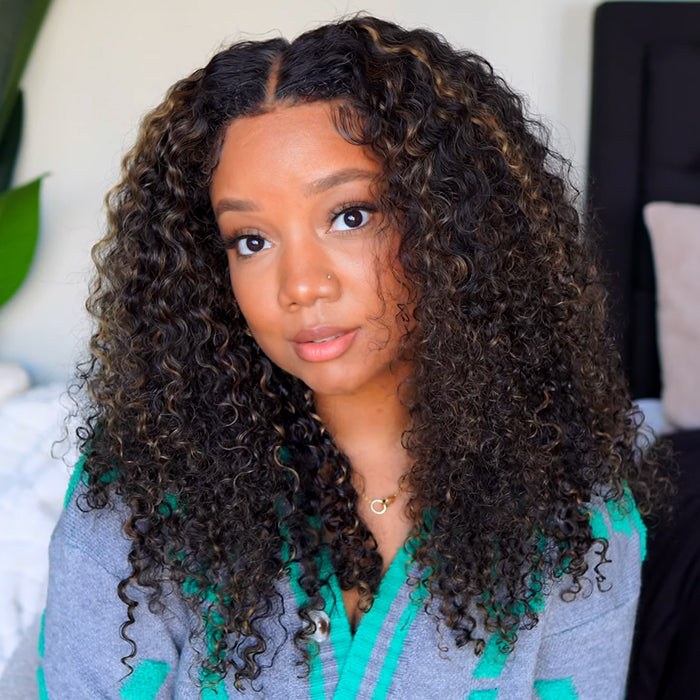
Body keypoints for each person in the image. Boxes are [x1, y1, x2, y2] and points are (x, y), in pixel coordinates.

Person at [40, 15, 667, 699]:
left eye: (350, 216)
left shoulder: (575, 513)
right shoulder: (143, 488)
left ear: (452, 225)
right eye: (251, 240)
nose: (301, 285)